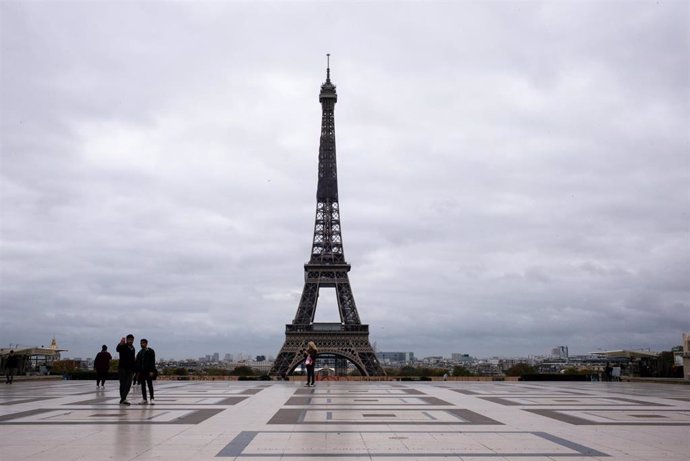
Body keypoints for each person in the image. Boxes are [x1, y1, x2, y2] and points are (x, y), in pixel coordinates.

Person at [116, 334, 136, 405]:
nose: (130, 341)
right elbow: (117, 349)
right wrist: (120, 344)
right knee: (123, 384)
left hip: (130, 369)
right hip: (122, 368)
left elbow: (133, 359)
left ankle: (123, 398)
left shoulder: (133, 348)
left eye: (132, 339)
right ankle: (123, 399)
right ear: (127, 340)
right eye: (129, 339)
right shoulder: (123, 346)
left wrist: (134, 369)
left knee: (128, 384)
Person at [135, 338, 156, 405]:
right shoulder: (140, 352)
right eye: (141, 343)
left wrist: (152, 370)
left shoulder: (150, 351)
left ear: (146, 343)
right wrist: (137, 371)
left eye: (143, 343)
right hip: (141, 371)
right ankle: (144, 399)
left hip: (148, 371)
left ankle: (152, 398)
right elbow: (137, 362)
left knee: (150, 385)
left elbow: (152, 361)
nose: (142, 344)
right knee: (143, 385)